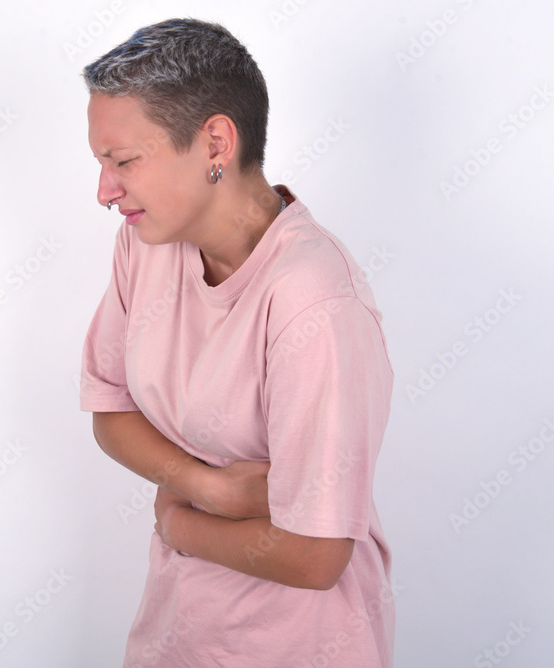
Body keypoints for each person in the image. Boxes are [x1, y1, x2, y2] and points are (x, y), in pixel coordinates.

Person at [79, 18, 395, 667]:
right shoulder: (145, 246)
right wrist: (211, 487)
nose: (104, 192)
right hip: (175, 636)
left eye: (124, 161)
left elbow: (315, 556)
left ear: (216, 143)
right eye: (101, 164)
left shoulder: (312, 300)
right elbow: (110, 410)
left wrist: (180, 522)